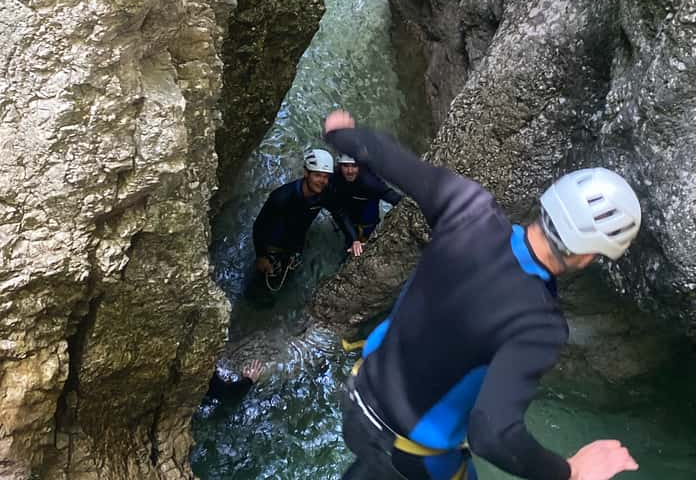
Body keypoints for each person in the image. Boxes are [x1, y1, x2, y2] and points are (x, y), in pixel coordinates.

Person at [323, 110, 641, 480]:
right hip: (411, 458)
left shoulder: (467, 206)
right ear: (587, 256)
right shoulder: (538, 327)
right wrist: (571, 472)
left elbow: (386, 156)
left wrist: (340, 135)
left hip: (358, 399)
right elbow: (492, 435)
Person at [250, 148, 353, 303]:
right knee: (263, 280)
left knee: (288, 279)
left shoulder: (325, 194)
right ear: (306, 173)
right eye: (317, 175)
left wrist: (354, 239)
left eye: (326, 177)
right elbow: (259, 226)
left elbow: (340, 214)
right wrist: (262, 256)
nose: (322, 181)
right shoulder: (282, 197)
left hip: (295, 245)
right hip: (274, 245)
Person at [330, 154, 403, 257]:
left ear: (360, 166)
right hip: (349, 210)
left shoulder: (369, 181)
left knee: (367, 232)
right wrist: (354, 239)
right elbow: (338, 210)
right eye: (346, 166)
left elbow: (391, 196)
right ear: (339, 166)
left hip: (367, 208)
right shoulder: (334, 177)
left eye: (354, 166)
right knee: (349, 237)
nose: (350, 171)